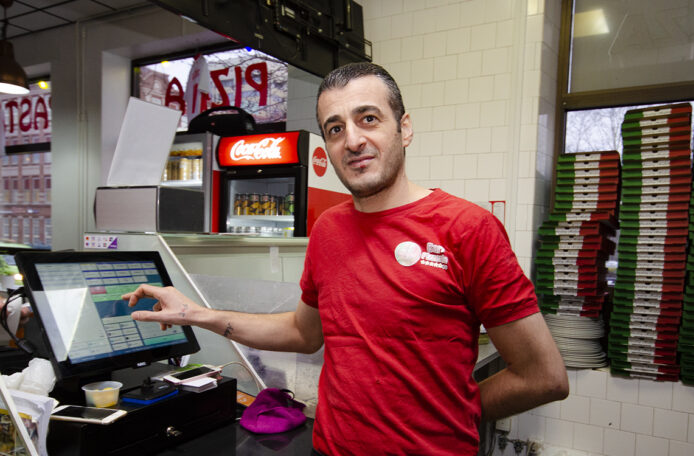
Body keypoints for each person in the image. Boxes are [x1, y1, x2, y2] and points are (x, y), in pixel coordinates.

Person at [123, 62, 569, 456]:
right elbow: (304, 332)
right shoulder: (329, 230)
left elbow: (542, 375)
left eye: (368, 119)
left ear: (405, 127)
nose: (352, 140)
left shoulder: (467, 228)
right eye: (335, 128)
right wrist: (196, 314)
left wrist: (454, 410)